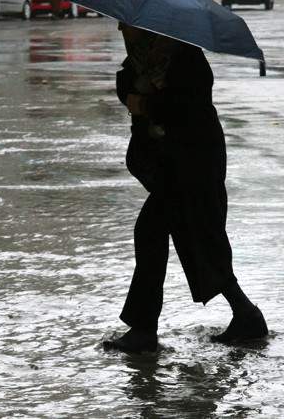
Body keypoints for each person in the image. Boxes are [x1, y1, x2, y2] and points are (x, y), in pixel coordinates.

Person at [103, 23, 269, 353]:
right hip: (171, 167)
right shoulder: (141, 60)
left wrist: (147, 103)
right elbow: (127, 90)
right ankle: (245, 315)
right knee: (194, 240)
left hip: (194, 164)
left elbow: (186, 110)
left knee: (170, 235)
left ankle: (144, 329)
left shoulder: (186, 60)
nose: (121, 27)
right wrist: (136, 91)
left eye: (127, 24)